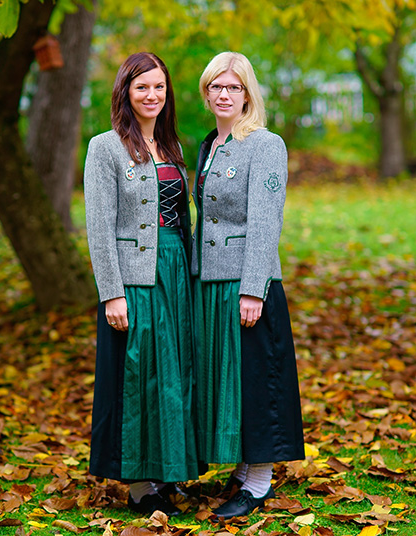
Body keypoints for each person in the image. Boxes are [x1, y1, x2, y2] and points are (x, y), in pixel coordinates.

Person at [84, 52, 198, 517]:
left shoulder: (172, 147)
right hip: (133, 279)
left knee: (172, 373)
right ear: (125, 93)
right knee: (137, 376)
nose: (151, 96)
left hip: (174, 270)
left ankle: (168, 472)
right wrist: (112, 291)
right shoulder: (105, 147)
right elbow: (99, 225)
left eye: (159, 88)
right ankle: (137, 483)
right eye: (142, 87)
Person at [192, 51, 305, 518]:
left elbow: (265, 221)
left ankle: (259, 479)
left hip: (246, 281)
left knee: (257, 378)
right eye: (216, 86)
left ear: (247, 94)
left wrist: (253, 288)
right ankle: (241, 466)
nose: (224, 94)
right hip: (208, 281)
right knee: (226, 379)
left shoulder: (266, 144)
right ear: (206, 91)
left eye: (233, 87)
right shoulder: (207, 144)